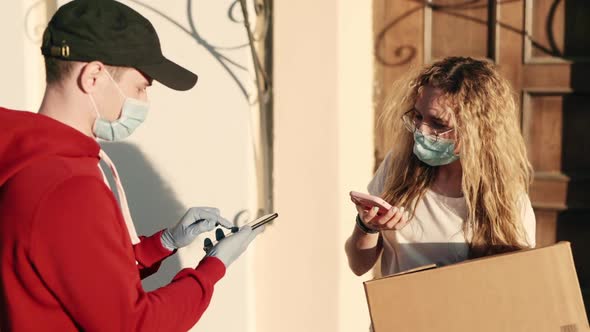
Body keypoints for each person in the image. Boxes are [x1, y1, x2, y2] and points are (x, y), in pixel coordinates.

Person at [0, 0, 263, 331]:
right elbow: (134, 324)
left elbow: (80, 279)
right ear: (94, 76)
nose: (143, 102)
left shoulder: (29, 160)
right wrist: (213, 267)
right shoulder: (67, 184)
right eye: (140, 87)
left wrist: (163, 244)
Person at [345, 56, 536, 278]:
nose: (421, 132)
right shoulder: (398, 167)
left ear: (479, 131)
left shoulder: (507, 201)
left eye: (438, 124)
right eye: (418, 116)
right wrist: (367, 227)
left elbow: (517, 285)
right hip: (401, 311)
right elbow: (358, 266)